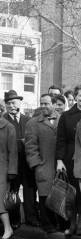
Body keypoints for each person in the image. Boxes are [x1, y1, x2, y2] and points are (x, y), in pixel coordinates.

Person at [25, 94, 64, 239]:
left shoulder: (62, 119)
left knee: (61, 195)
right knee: (44, 196)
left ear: (53, 104)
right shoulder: (33, 123)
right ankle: (48, 226)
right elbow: (30, 147)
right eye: (41, 103)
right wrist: (36, 165)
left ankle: (62, 224)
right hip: (44, 165)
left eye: (47, 103)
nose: (44, 106)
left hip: (61, 165)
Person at [56, 83, 81, 236]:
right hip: (70, 157)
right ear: (75, 97)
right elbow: (61, 140)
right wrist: (59, 160)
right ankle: (71, 223)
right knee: (72, 192)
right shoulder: (66, 115)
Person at [3, 90, 39, 228]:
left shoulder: (27, 120)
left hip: (27, 162)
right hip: (12, 164)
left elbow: (33, 140)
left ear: (19, 102)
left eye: (14, 102)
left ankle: (31, 218)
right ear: (6, 106)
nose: (12, 106)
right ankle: (15, 220)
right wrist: (21, 142)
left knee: (30, 192)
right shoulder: (3, 120)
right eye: (9, 103)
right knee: (13, 192)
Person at [0, 114, 17, 239]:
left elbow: (13, 151)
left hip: (3, 168)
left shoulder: (8, 127)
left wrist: (12, 170)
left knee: (1, 200)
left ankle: (8, 228)